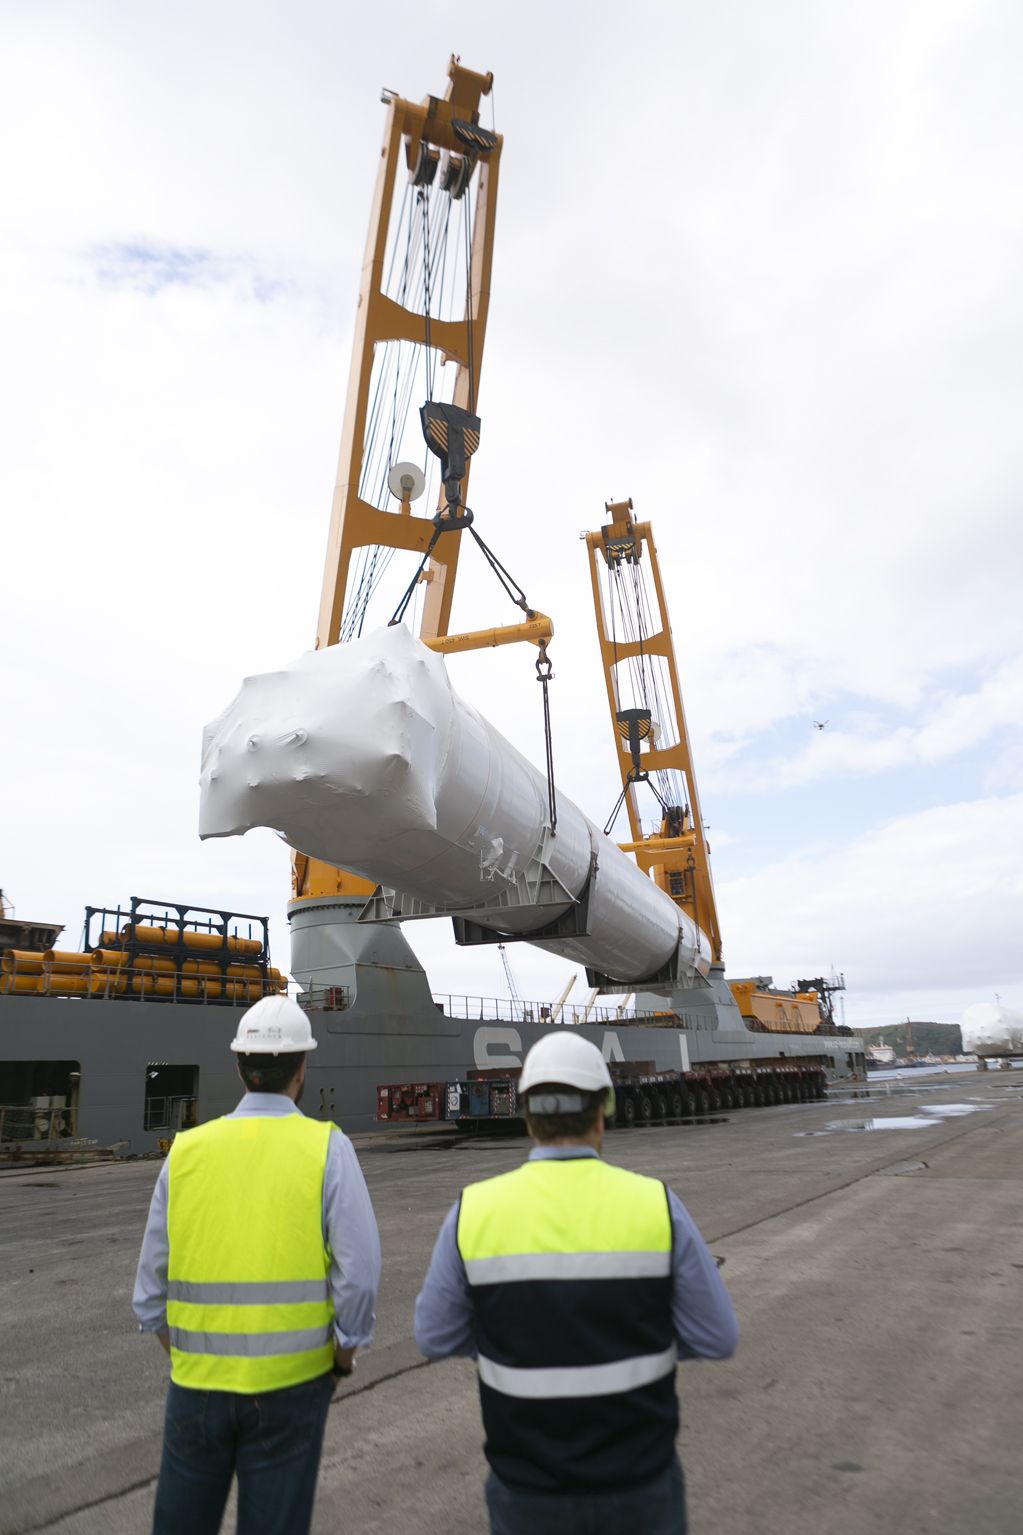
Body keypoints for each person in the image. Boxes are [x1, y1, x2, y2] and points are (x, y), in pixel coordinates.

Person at [414, 1032, 738, 1534]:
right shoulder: (658, 1205)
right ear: (604, 1107)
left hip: (528, 1492)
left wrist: (507, 1348)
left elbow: (433, 1336)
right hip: (639, 1486)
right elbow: (716, 1337)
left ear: (525, 1114)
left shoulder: (472, 1210)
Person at [133, 994, 381, 1535]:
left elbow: (149, 1296)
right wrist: (341, 1359)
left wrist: (192, 1360)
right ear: (302, 1069)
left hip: (196, 1388)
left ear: (240, 1065)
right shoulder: (327, 1149)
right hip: (293, 1388)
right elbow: (358, 1279)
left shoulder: (187, 1151)